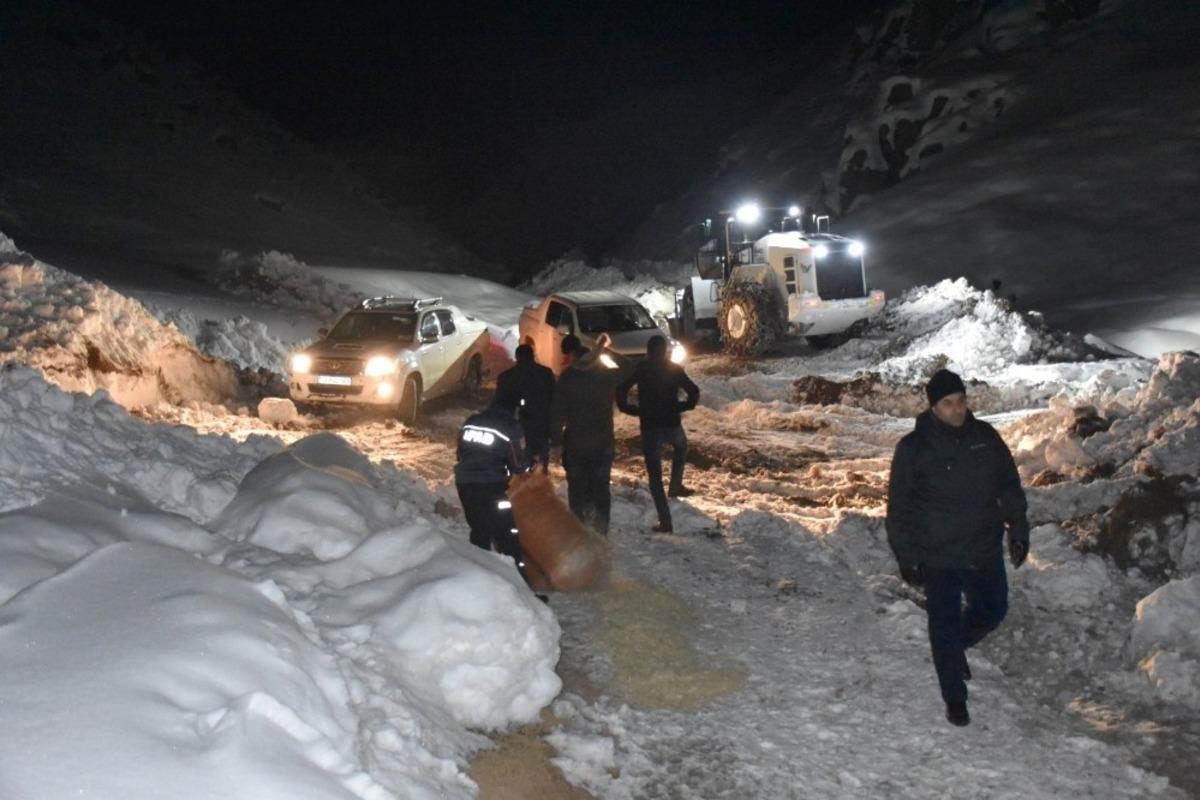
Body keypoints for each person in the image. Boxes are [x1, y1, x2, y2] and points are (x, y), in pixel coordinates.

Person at [886, 368, 1030, 727]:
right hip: (939, 553)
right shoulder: (913, 449)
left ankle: (953, 649)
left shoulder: (985, 438)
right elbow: (899, 509)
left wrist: (1018, 528)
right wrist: (908, 556)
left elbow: (1008, 485)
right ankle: (954, 696)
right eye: (948, 403)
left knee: (993, 610)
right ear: (933, 407)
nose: (958, 409)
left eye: (962, 401)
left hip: (982, 545)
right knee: (944, 624)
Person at [616, 334, 700, 533]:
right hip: (671, 421)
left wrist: (630, 409)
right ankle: (676, 484)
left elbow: (621, 389)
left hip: (650, 425)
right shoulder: (674, 368)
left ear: (648, 351)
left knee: (655, 476)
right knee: (681, 446)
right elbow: (693, 391)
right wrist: (684, 406)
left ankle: (665, 521)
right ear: (664, 351)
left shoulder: (642, 369)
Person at [455, 390, 534, 584]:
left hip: (465, 483)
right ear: (514, 409)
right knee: (507, 534)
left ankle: (478, 582)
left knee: (479, 531)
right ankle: (521, 587)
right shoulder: (511, 426)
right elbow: (519, 464)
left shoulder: (472, 421)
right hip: (493, 487)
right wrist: (531, 462)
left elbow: (460, 452)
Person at [550, 334, 624, 535]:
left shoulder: (568, 378)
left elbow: (557, 413)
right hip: (603, 442)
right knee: (601, 487)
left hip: (576, 444)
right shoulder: (606, 375)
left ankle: (578, 530)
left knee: (576, 487)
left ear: (573, 357)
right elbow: (628, 368)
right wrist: (604, 352)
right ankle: (601, 530)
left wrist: (556, 442)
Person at [496, 343, 555, 472]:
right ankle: (541, 481)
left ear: (517, 357)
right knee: (541, 461)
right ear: (533, 356)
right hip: (542, 425)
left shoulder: (507, 377)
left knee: (519, 462)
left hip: (519, 427)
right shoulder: (546, 373)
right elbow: (554, 400)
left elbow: (499, 406)